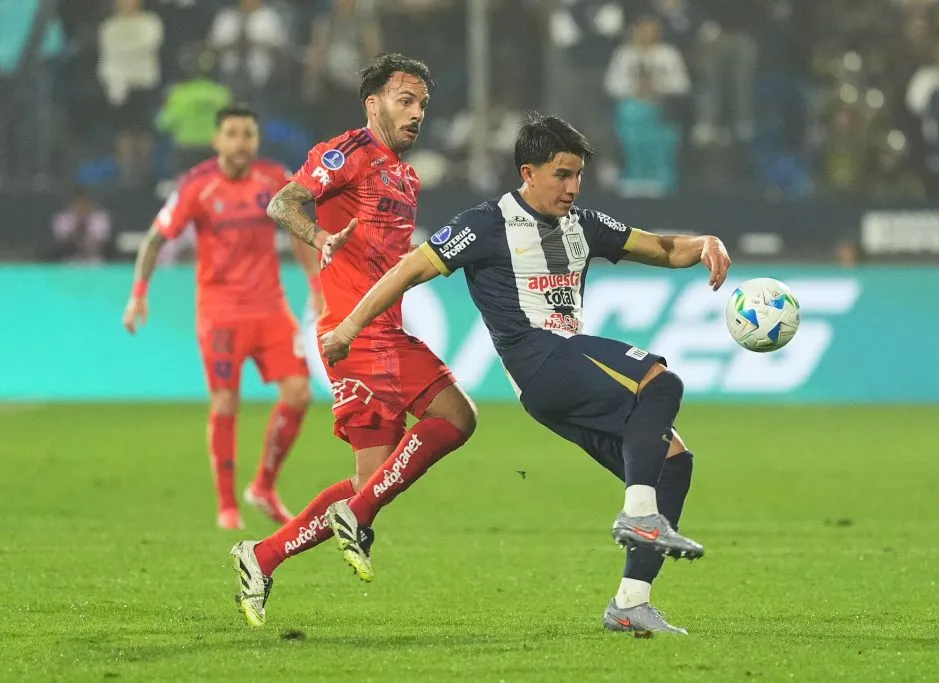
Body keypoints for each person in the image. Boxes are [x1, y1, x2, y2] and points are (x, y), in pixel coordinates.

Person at [318, 114, 732, 636]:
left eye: (579, 175)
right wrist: (350, 327)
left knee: (673, 463)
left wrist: (705, 244)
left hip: (565, 373)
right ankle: (638, 516)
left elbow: (661, 248)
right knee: (661, 381)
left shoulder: (585, 225)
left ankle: (631, 603)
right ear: (527, 172)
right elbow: (409, 270)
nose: (573, 187)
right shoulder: (486, 224)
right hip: (539, 359)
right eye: (562, 175)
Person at [229, 53, 477, 628]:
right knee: (447, 426)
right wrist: (320, 236)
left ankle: (262, 555)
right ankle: (343, 522)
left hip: (388, 334)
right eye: (404, 100)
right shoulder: (348, 153)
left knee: (386, 472)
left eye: (422, 105)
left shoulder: (407, 174)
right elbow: (282, 202)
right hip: (354, 335)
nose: (416, 114)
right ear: (373, 103)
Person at [123, 104, 322, 530]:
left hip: (271, 308)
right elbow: (156, 239)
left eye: (247, 134)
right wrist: (138, 294)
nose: (240, 143)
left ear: (256, 140)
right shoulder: (197, 186)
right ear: (217, 141)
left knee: (299, 394)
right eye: (231, 134)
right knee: (226, 401)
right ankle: (227, 506)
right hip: (220, 314)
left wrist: (317, 286)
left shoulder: (274, 179)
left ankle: (263, 487)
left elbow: (300, 230)